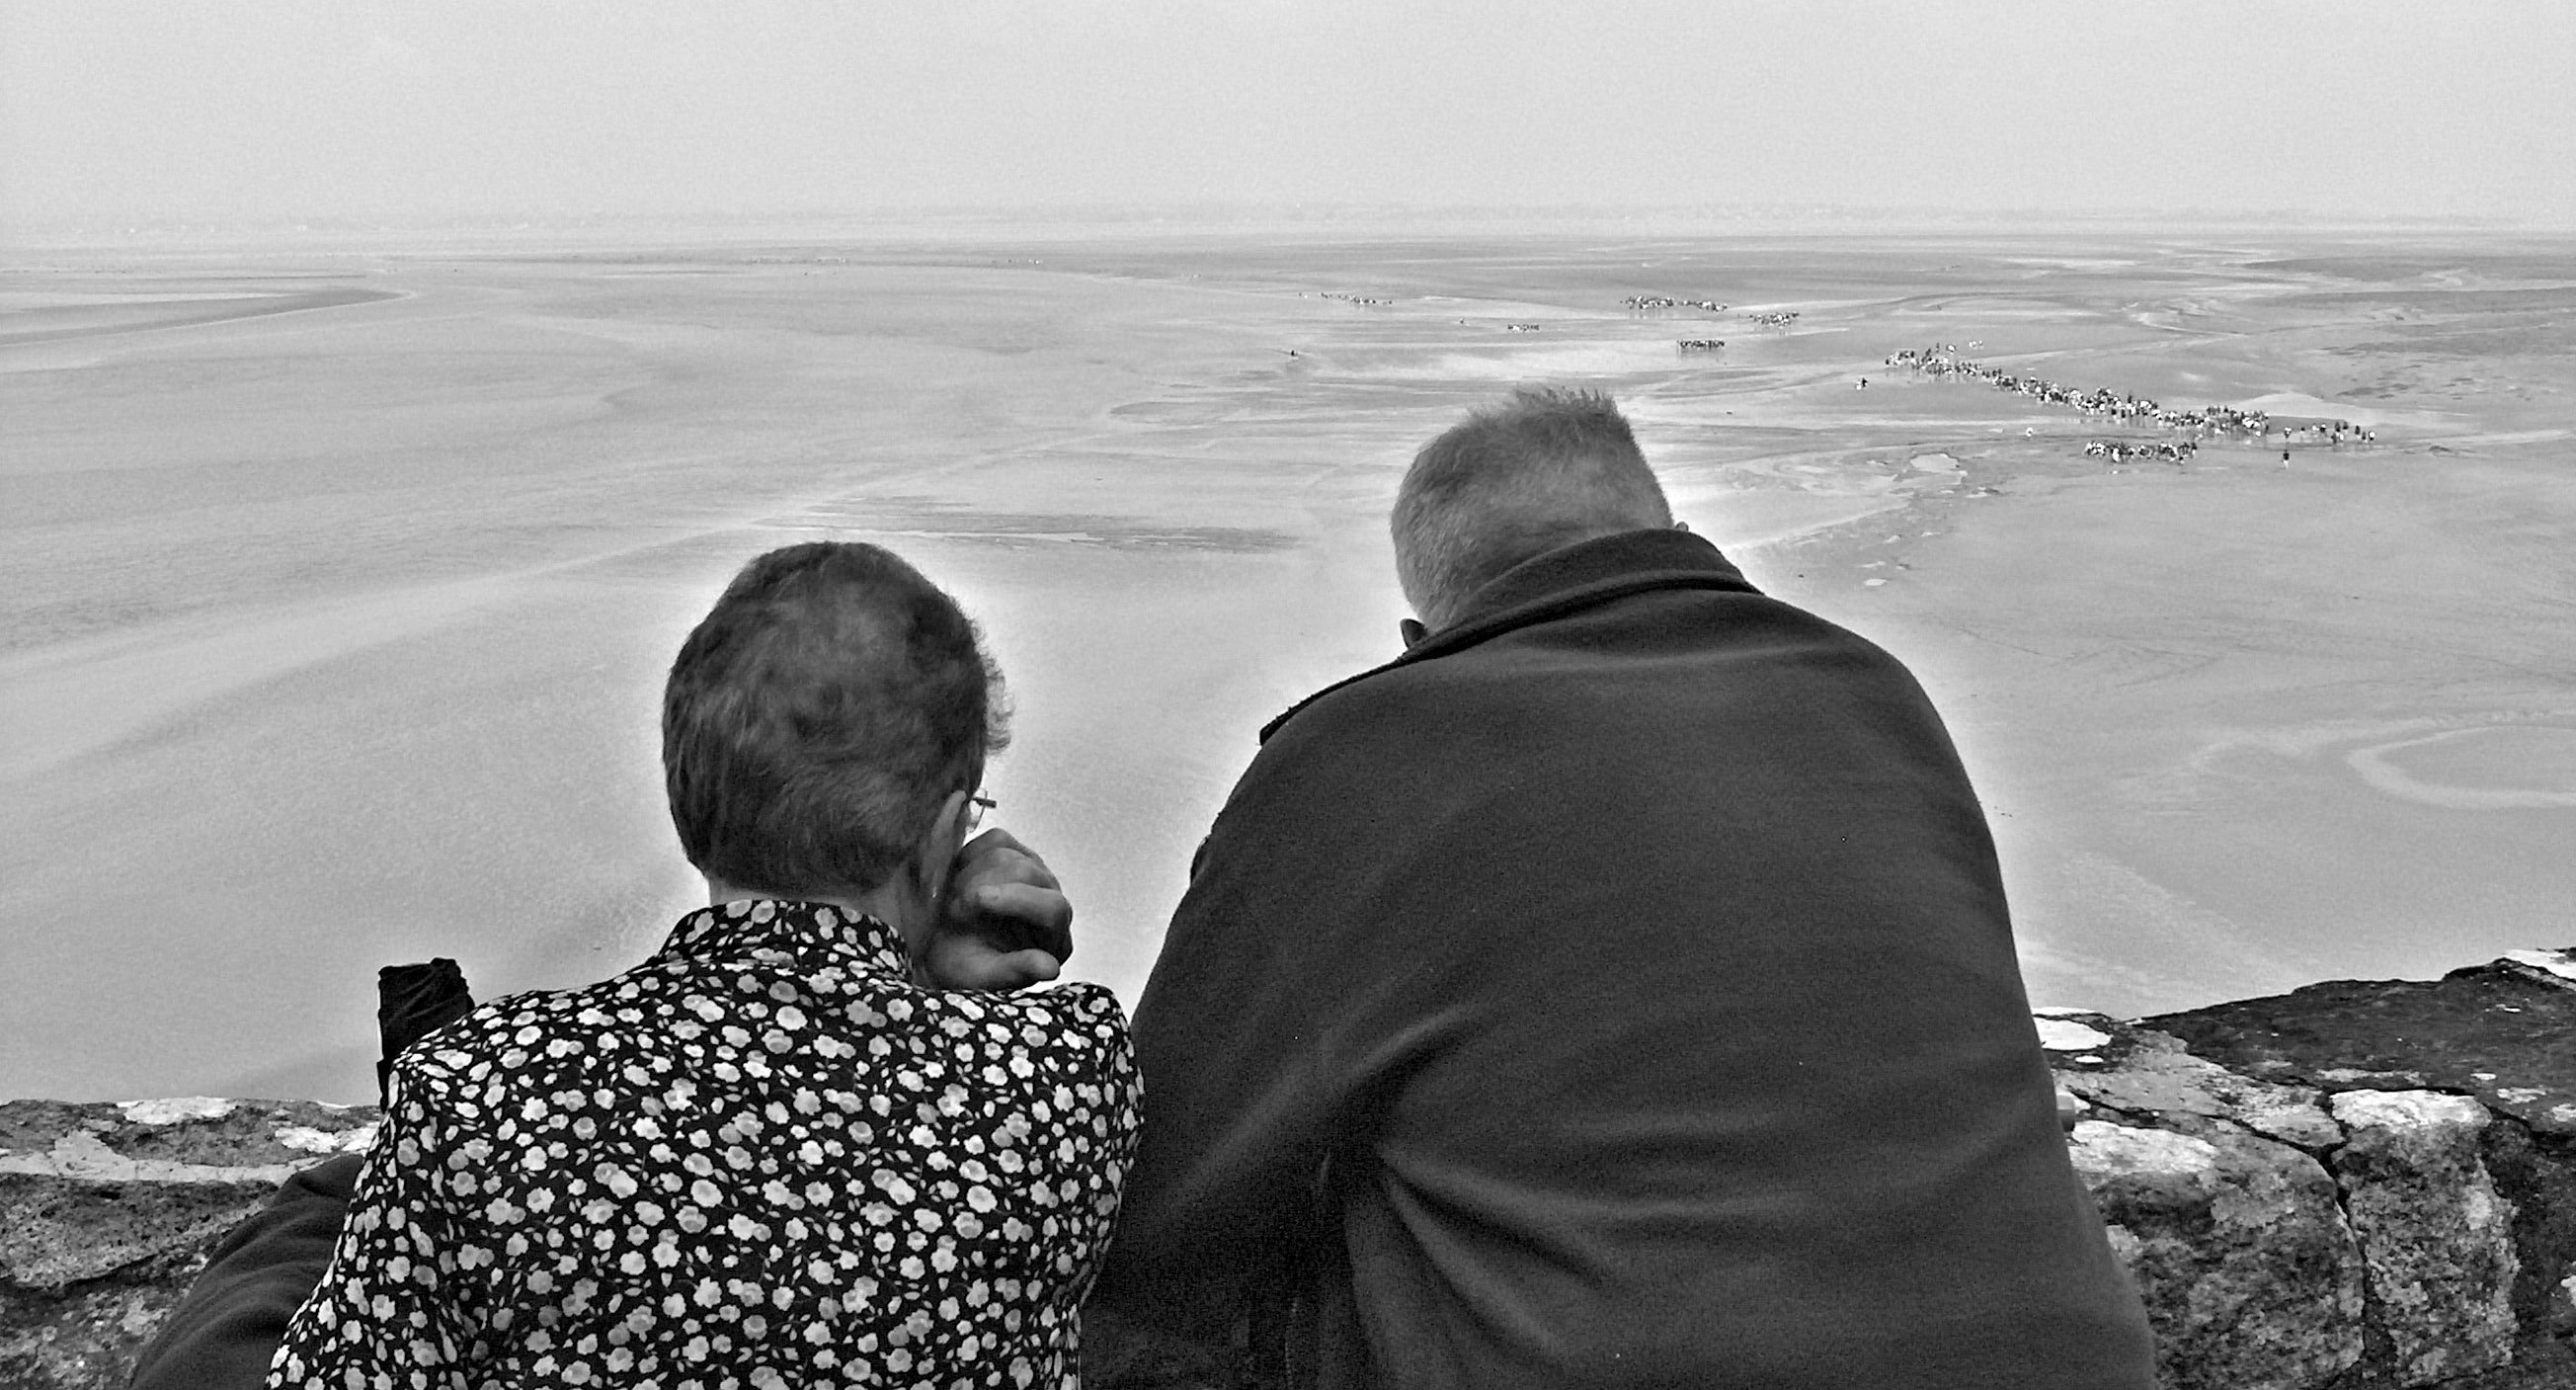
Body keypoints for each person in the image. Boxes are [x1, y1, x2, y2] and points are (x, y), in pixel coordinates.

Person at [1090, 388, 2154, 1388]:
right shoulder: (1873, 688)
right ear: (1671, 538)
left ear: (1426, 637)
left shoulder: (1355, 750)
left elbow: (1166, 1190)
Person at [129, 540, 1137, 1389]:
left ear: (685, 804)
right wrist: (931, 978)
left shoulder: (475, 1095)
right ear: (945, 830)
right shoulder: (1070, 1076)